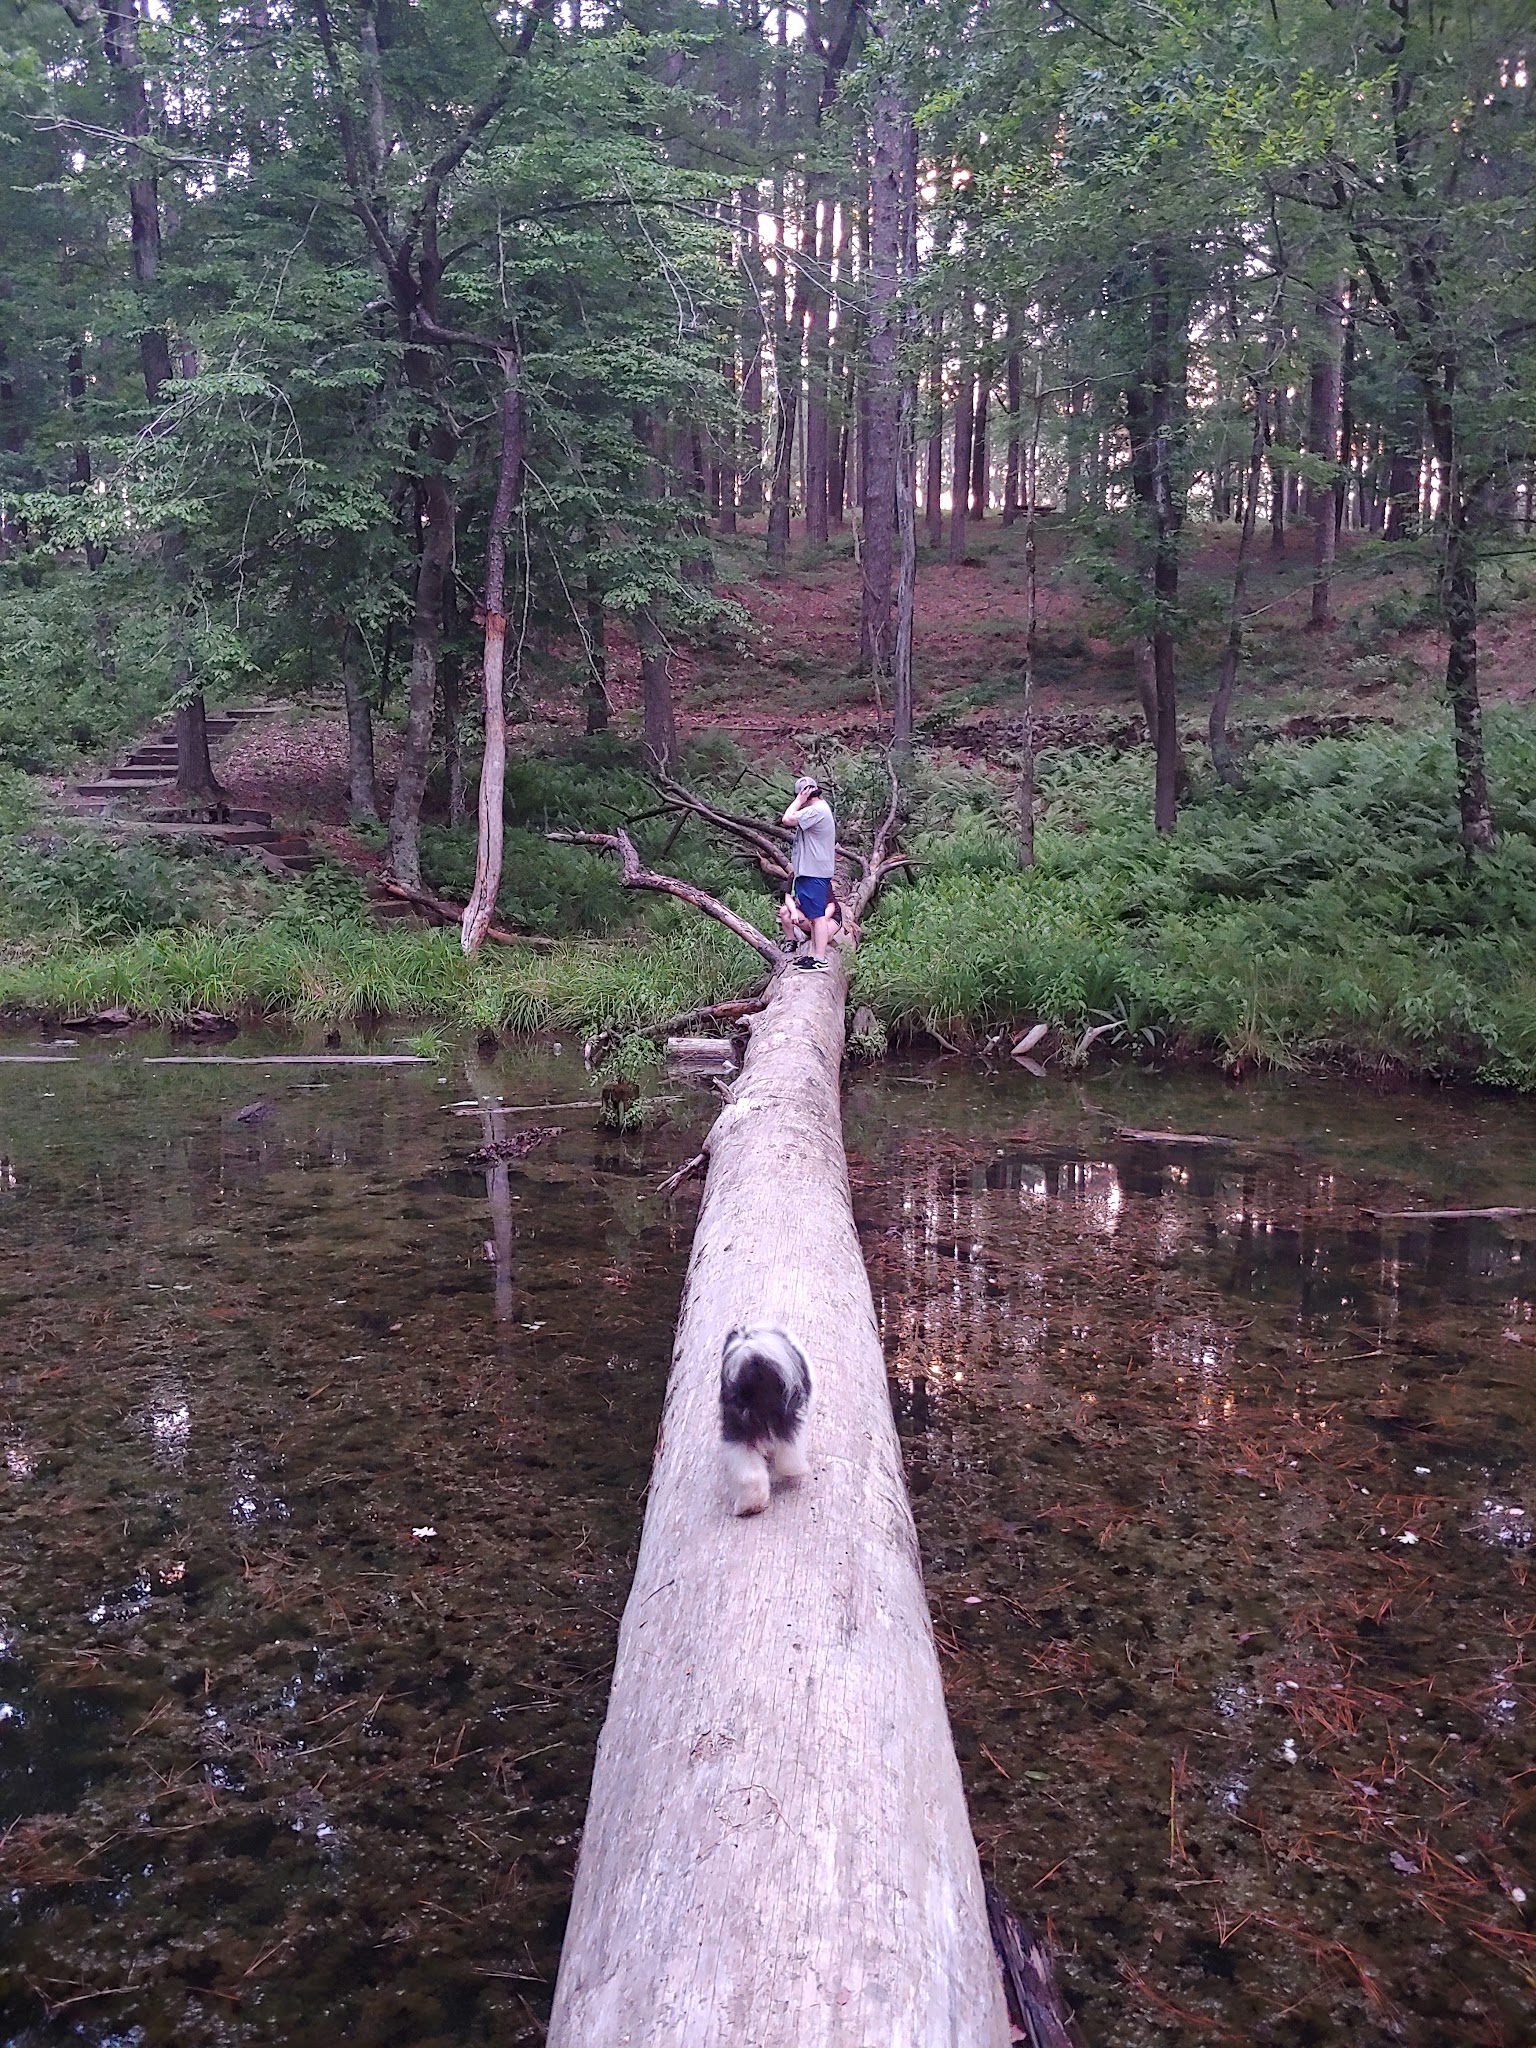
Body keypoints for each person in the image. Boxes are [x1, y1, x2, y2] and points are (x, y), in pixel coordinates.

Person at [779, 776, 837, 970]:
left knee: (817, 915)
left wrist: (798, 801)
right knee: (813, 915)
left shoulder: (817, 810)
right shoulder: (817, 811)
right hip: (810, 870)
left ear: (804, 794)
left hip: (814, 871)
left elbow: (787, 819)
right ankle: (814, 956)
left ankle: (819, 958)